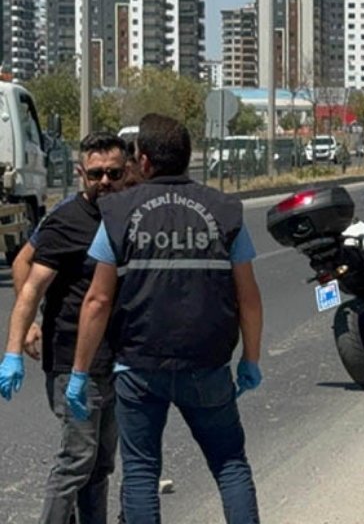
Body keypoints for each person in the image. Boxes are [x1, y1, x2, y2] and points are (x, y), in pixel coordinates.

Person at [68, 114, 264, 523]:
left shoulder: (118, 213)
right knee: (230, 465)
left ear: (142, 159)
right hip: (207, 366)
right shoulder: (224, 210)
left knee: (140, 472)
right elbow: (248, 297)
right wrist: (251, 359)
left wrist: (79, 372)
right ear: (187, 159)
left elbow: (97, 301)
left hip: (138, 366)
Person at [0, 132, 130, 524]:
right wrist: (16, 344)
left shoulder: (129, 212)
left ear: (126, 172)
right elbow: (29, 278)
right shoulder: (68, 219)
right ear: (80, 174)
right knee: (76, 459)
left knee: (101, 464)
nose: (104, 181)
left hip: (115, 359)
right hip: (73, 360)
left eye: (113, 173)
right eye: (95, 174)